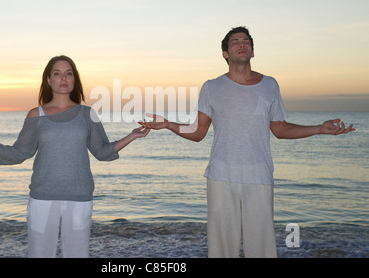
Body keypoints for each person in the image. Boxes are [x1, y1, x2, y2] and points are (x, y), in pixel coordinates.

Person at [139, 26, 355, 258]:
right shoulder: (212, 87)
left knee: (261, 248)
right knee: (221, 248)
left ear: (252, 52)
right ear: (225, 53)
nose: (242, 44)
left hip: (259, 176)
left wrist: (319, 129)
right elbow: (198, 131)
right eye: (235, 42)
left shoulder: (270, 85)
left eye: (246, 41)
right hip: (221, 176)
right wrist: (169, 124)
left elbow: (280, 129)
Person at [0, 55, 150, 258]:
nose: (63, 78)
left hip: (79, 198)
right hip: (42, 198)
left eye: (68, 73)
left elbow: (101, 151)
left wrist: (132, 135)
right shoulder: (36, 115)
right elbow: (20, 152)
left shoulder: (87, 114)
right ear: (48, 80)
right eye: (57, 74)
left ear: (75, 79)